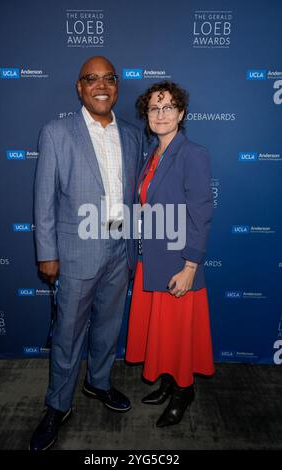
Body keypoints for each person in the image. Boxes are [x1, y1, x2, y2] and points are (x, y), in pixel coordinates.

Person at [30, 56, 142, 451]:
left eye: (108, 78)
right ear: (79, 87)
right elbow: (43, 200)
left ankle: (98, 382)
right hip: (75, 252)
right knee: (67, 334)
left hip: (119, 249)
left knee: (109, 326)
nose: (101, 85)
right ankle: (57, 405)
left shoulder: (132, 135)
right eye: (91, 79)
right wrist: (47, 252)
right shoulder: (57, 133)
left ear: (117, 86)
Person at [125, 81, 214, 427]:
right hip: (152, 259)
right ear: (146, 116)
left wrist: (191, 265)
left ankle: (183, 391)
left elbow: (201, 211)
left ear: (181, 113)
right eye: (153, 108)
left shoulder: (193, 153)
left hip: (178, 263)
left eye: (168, 107)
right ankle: (166, 382)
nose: (161, 114)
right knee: (160, 332)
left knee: (177, 334)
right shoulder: (152, 155)